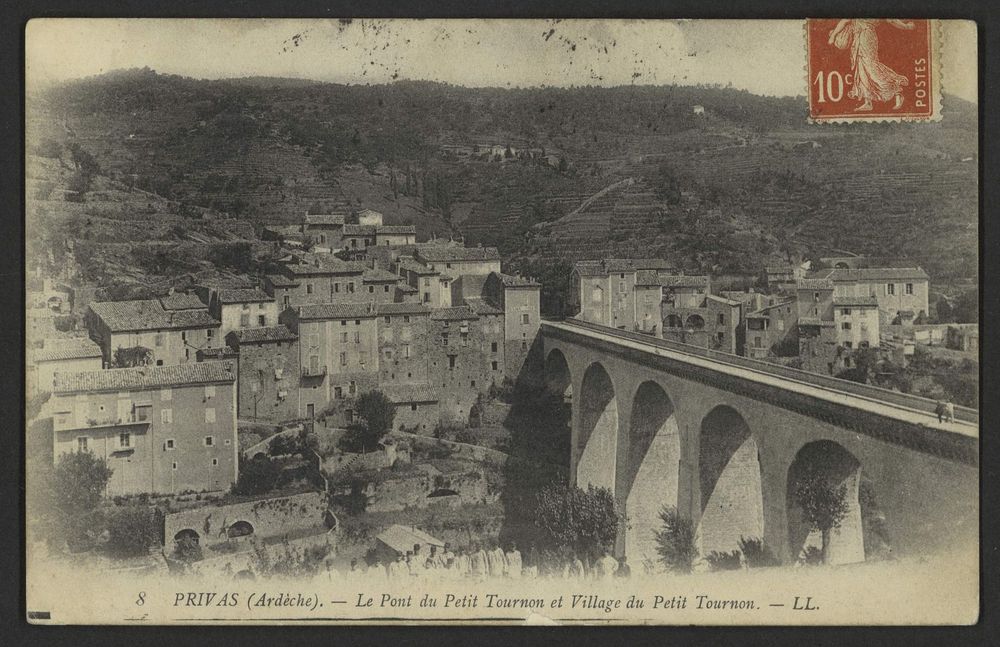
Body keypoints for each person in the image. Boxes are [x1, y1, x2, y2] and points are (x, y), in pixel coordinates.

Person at [827, 19, 915, 112]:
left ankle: (897, 92)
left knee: (871, 67)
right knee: (861, 67)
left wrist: (832, 36)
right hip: (859, 37)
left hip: (866, 37)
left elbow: (891, 20)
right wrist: (906, 26)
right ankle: (867, 101)